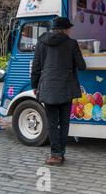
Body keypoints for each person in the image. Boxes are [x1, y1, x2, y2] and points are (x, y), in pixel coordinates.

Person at [31, 17, 86, 166]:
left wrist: (34, 86)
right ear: (66, 29)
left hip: (48, 86)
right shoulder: (71, 44)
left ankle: (55, 154)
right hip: (66, 87)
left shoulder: (41, 42)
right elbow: (82, 66)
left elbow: (36, 66)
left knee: (52, 122)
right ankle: (60, 152)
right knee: (64, 122)